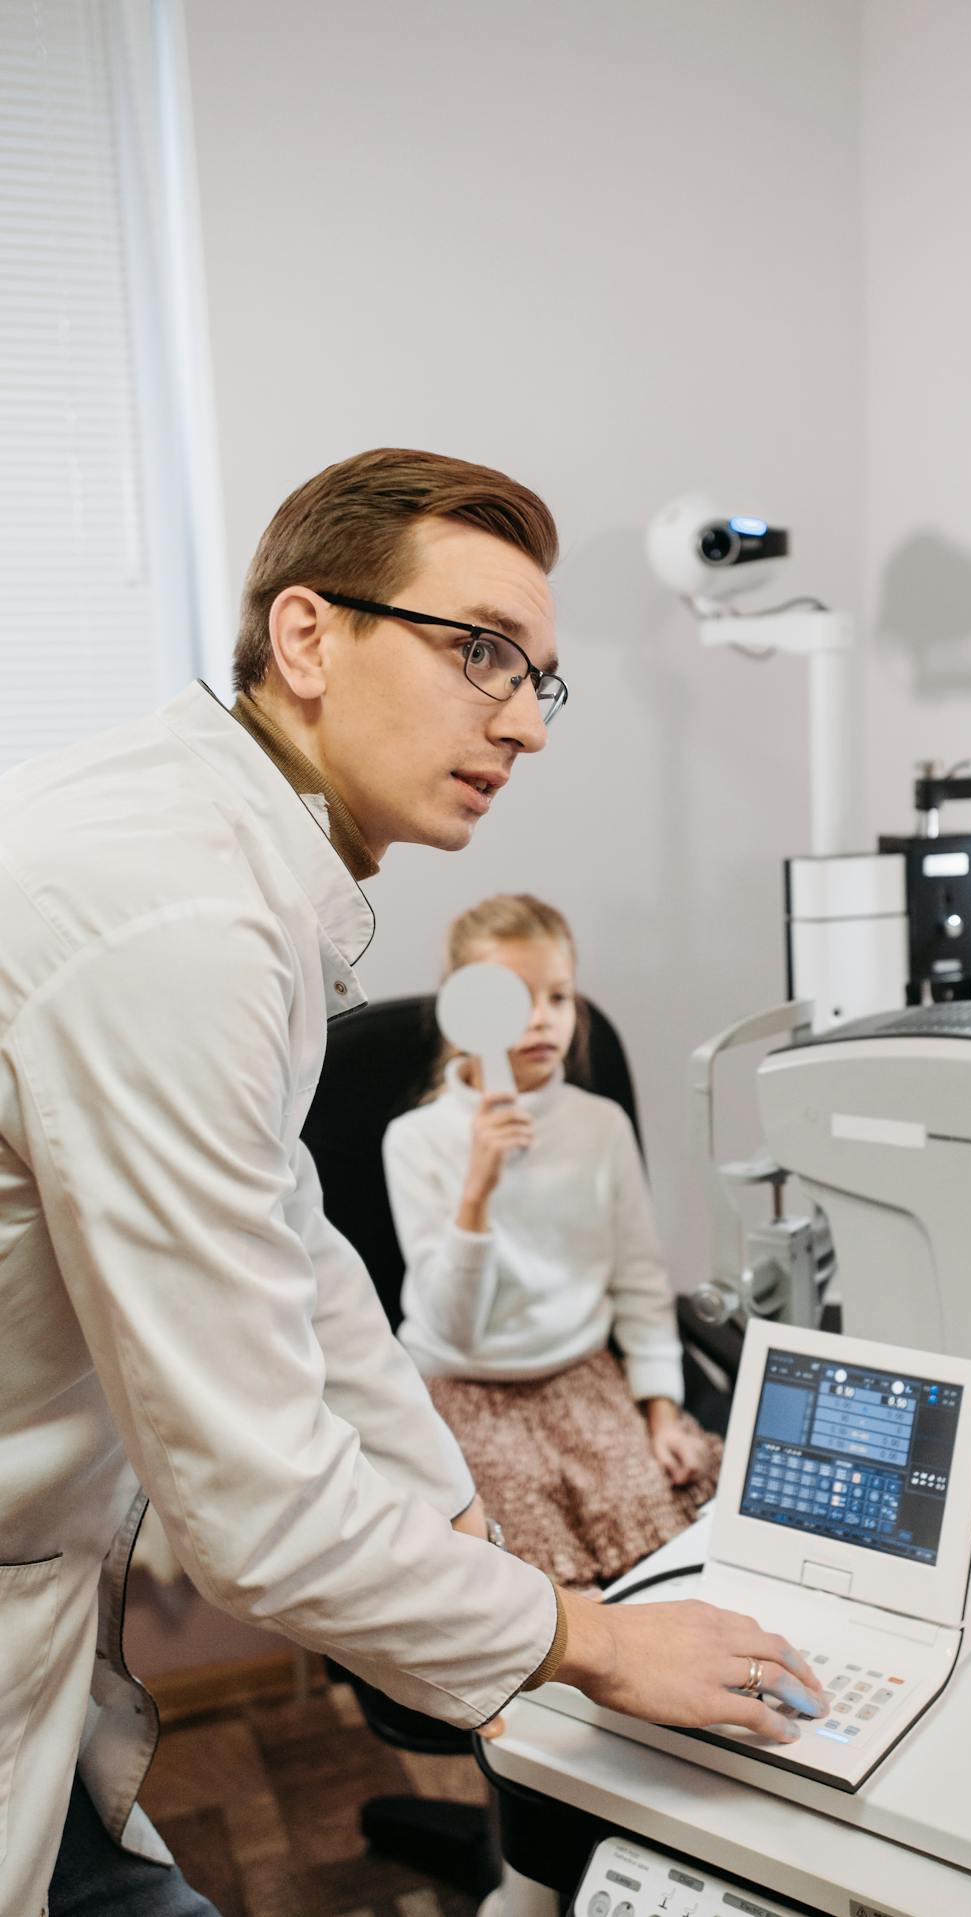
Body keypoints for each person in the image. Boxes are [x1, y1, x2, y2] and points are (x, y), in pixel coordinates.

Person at [0, 449, 821, 1917]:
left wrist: (453, 1525)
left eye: (540, 676)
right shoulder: (179, 921)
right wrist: (587, 1641)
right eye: (480, 651)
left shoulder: (232, 862)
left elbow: (296, 1241)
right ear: (309, 636)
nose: (525, 721)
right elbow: (251, 1498)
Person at [385, 893, 722, 1590]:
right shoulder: (416, 1141)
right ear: (464, 1010)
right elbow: (450, 1326)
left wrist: (660, 1404)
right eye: (514, 999)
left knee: (662, 1560)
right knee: (529, 1588)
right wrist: (476, 1190)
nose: (543, 1017)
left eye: (560, 996)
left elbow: (638, 1277)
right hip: (466, 1390)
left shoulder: (599, 1126)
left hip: (581, 1375)